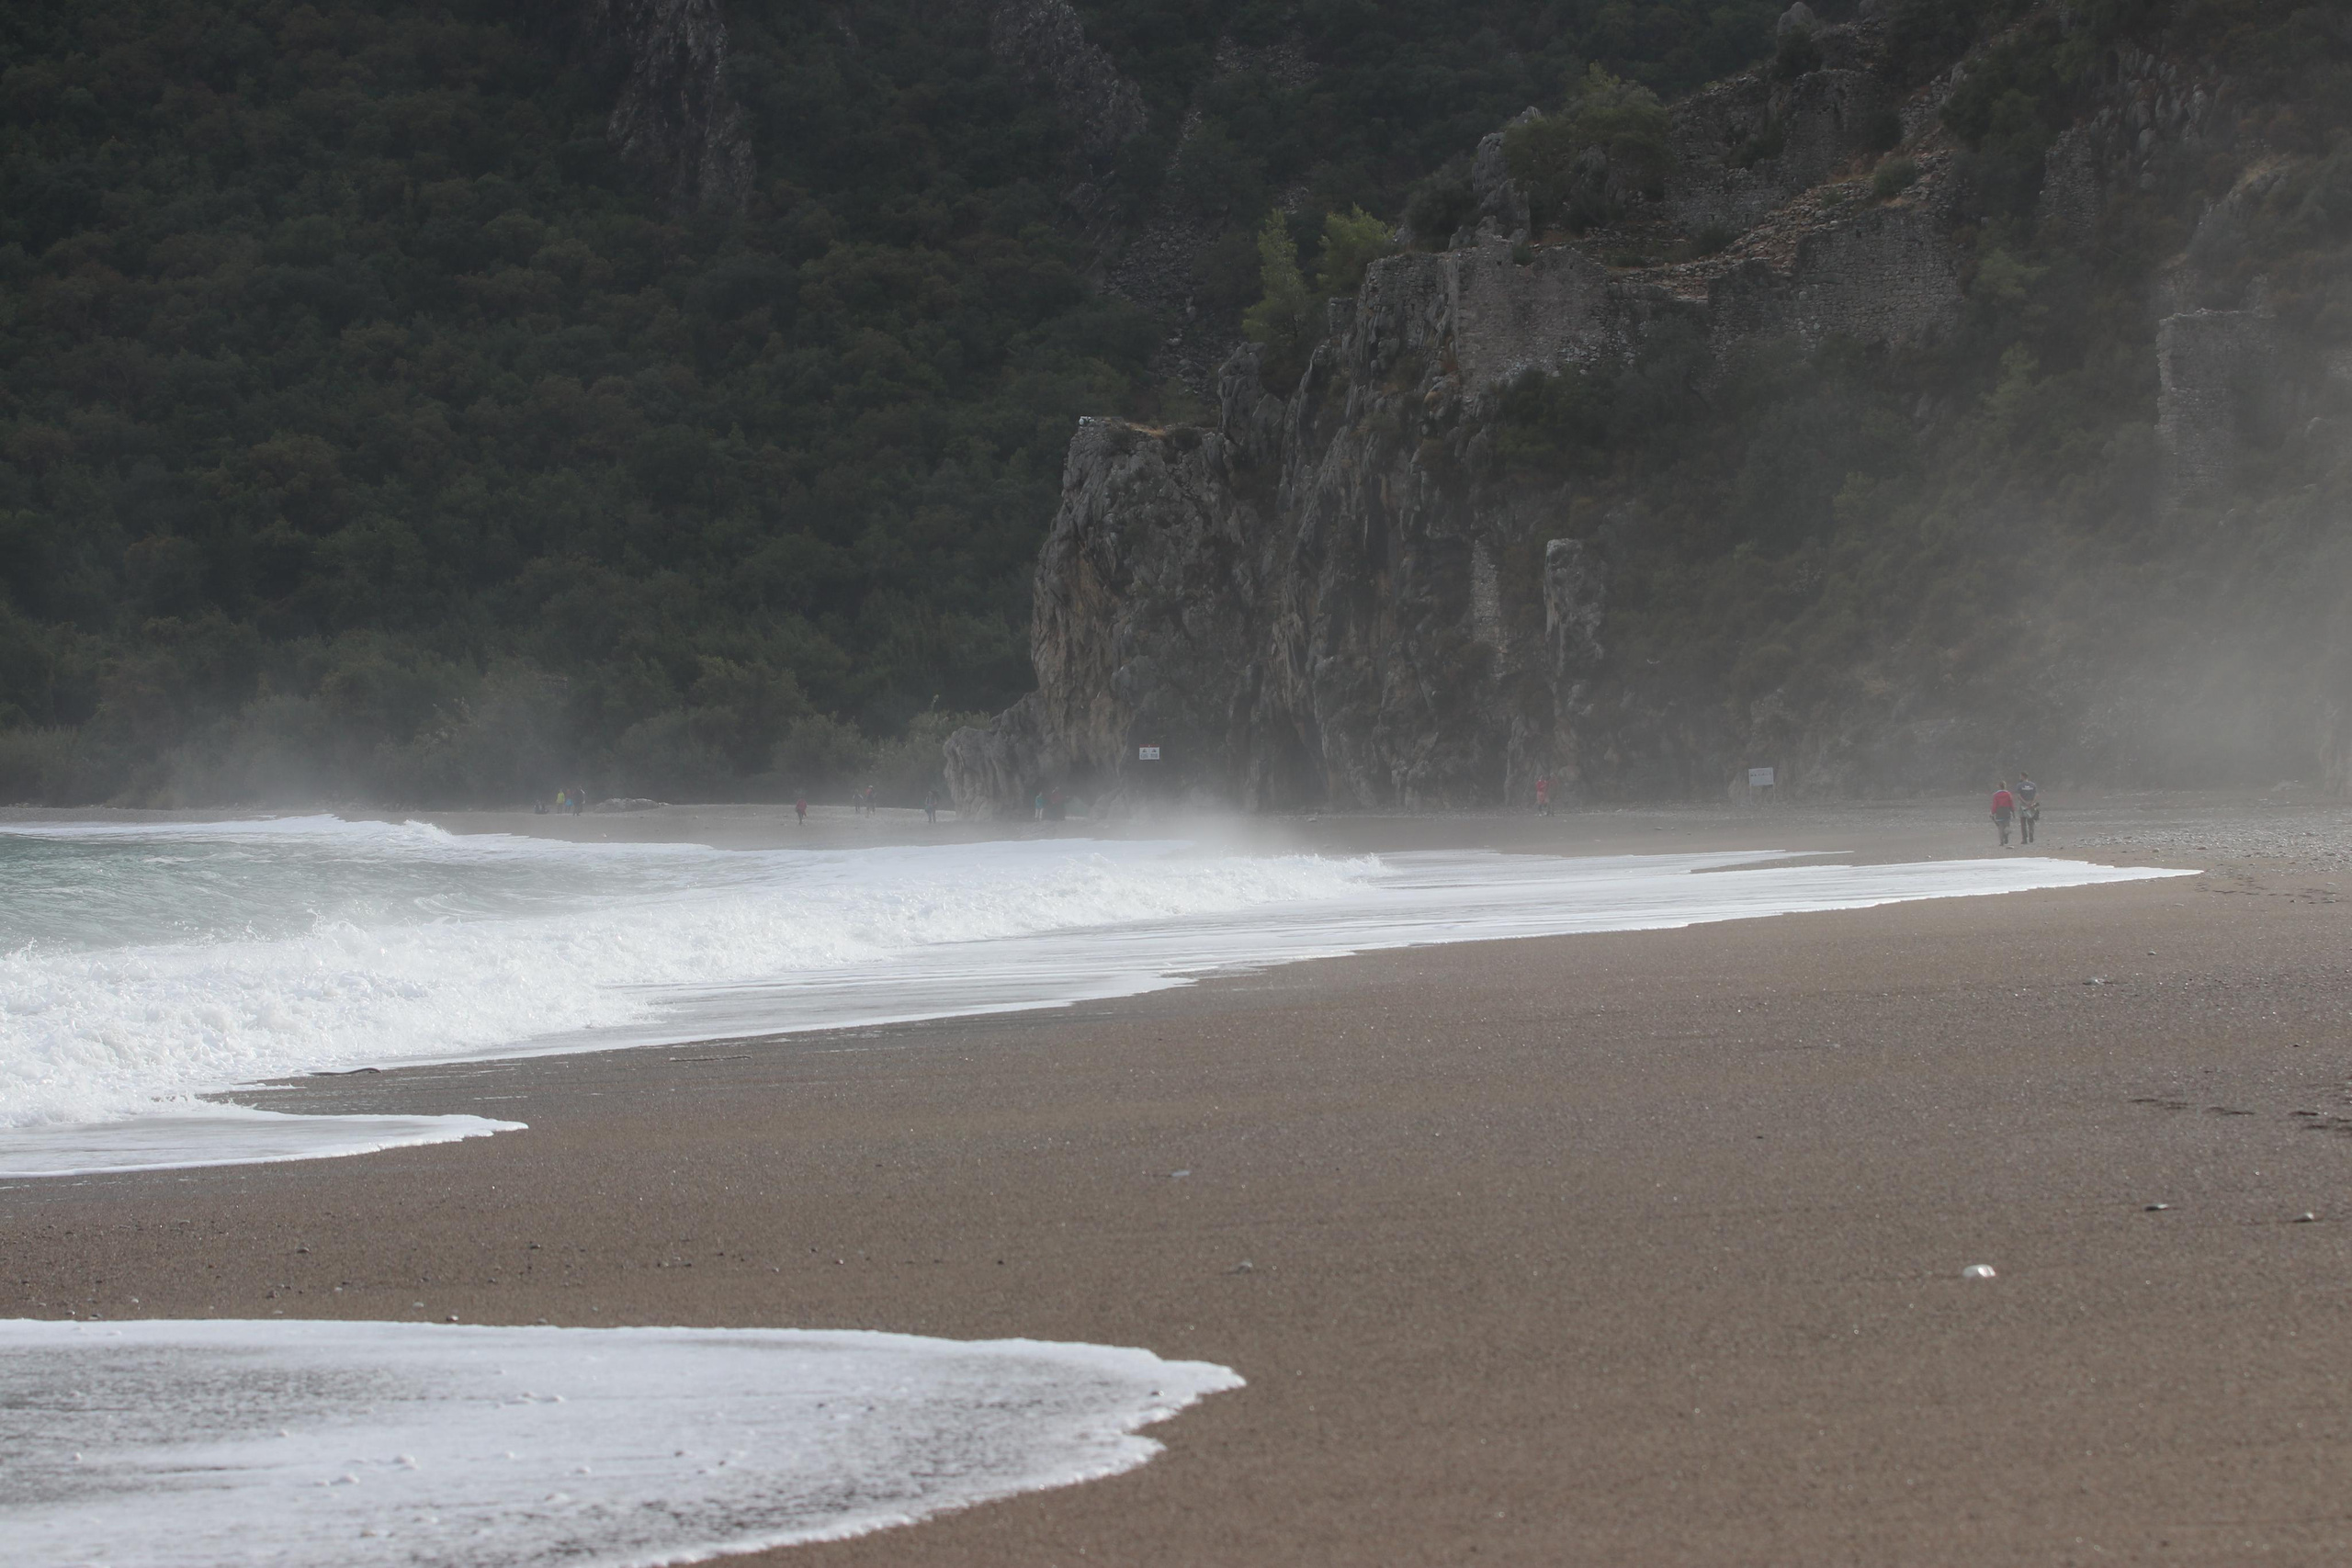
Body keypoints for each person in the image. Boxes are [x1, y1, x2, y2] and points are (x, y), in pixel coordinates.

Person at [2016, 773, 2040, 844]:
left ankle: (2024, 839)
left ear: (2023, 776)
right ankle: (2031, 832)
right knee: (2031, 821)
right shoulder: (2033, 785)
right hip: (2031, 804)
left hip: (2023, 805)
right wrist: (2032, 802)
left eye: (2020, 776)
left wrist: (2025, 802)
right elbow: (2036, 795)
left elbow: (2018, 796)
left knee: (2023, 822)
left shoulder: (2019, 785)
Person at [1990, 781, 2016, 847]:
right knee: (2007, 825)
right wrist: (2013, 811)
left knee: (2000, 827)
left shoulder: (1996, 795)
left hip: (1999, 811)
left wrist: (1992, 813)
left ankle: (2002, 842)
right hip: (2006, 810)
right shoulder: (2008, 794)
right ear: (2005, 786)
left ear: (1999, 786)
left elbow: (1994, 805)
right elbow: (2011, 803)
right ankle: (2006, 835)